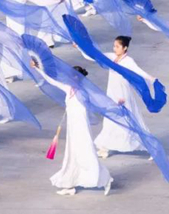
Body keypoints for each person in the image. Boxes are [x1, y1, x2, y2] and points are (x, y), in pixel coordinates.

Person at [30, 61, 113, 196]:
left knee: (86, 152)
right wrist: (38, 68)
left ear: (76, 78)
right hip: (72, 126)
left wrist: (116, 106)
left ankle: (105, 179)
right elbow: (52, 81)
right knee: (72, 153)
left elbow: (100, 103)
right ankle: (70, 184)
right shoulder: (68, 88)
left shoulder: (84, 92)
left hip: (81, 126)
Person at [87, 36, 157, 159]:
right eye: (114, 46)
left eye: (117, 46)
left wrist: (152, 79)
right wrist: (81, 47)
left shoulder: (128, 61)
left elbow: (138, 71)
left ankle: (152, 148)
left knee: (131, 121)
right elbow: (95, 56)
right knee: (111, 119)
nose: (114, 48)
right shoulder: (113, 57)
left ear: (125, 48)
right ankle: (105, 147)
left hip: (123, 95)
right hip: (112, 93)